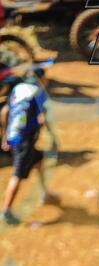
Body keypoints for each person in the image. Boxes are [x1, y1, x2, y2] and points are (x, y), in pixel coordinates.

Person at [1, 64, 59, 226]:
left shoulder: (18, 89)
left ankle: (44, 194)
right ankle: (5, 211)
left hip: (13, 137)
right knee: (17, 175)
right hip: (24, 141)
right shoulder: (39, 92)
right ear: (41, 79)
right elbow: (42, 118)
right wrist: (52, 137)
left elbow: (4, 112)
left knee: (40, 160)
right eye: (45, 78)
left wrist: (5, 137)